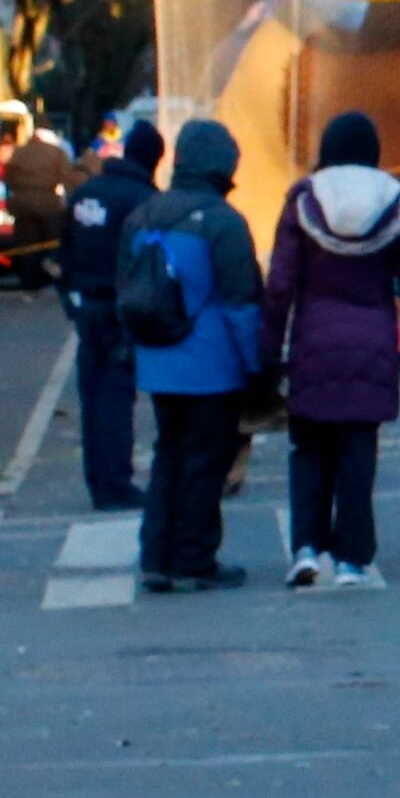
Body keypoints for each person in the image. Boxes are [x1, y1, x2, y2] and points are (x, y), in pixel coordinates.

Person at [263, 111, 400, 590]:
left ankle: (305, 548)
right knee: (359, 454)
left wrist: (269, 350)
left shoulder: (303, 199)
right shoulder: (395, 201)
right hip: (372, 342)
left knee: (308, 449)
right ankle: (353, 560)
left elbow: (280, 285)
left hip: (313, 343)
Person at [131, 119, 265, 593]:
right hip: (211, 364)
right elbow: (241, 305)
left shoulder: (144, 214)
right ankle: (193, 557)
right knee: (205, 462)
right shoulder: (223, 222)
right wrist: (258, 365)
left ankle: (156, 557)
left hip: (157, 359)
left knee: (168, 456)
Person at [59, 121, 163, 510]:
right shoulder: (142, 199)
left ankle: (98, 480)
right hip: (120, 309)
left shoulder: (87, 193)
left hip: (86, 303)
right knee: (117, 397)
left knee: (91, 393)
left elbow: (63, 250)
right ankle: (118, 482)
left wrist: (69, 300)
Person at [2, 115, 76, 291]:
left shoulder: (18, 153)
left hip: (22, 205)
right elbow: (68, 179)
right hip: (48, 203)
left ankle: (29, 284)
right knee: (52, 243)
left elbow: (8, 178)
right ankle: (51, 273)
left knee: (27, 247)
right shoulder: (56, 152)